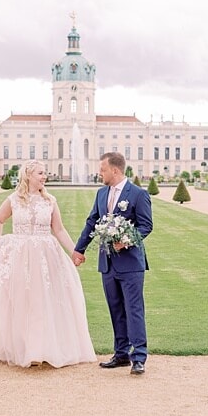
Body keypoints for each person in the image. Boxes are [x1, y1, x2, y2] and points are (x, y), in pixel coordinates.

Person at [0, 161, 96, 368]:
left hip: (45, 257)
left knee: (42, 302)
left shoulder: (50, 200)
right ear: (29, 175)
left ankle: (38, 350)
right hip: (20, 257)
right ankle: (22, 347)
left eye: (45, 173)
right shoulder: (14, 199)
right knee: (20, 302)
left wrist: (74, 251)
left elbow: (59, 230)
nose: (45, 177)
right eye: (40, 173)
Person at [72, 152, 153, 375]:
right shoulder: (101, 194)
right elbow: (92, 222)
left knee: (134, 309)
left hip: (131, 263)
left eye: (103, 170)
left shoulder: (137, 194)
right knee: (116, 309)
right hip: (107, 263)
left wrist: (125, 241)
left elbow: (146, 226)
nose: (100, 173)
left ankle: (138, 357)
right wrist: (79, 249)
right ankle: (121, 354)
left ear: (115, 171)